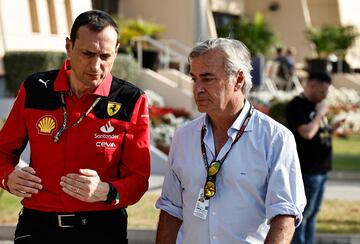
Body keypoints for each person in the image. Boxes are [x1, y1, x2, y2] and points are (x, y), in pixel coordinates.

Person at [0, 10, 150, 244]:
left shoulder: (131, 99)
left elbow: (139, 180)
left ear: (117, 52)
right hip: (38, 227)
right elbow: (3, 152)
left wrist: (107, 191)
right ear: (69, 47)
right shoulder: (36, 88)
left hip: (101, 230)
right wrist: (7, 178)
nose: (96, 65)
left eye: (105, 56)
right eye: (87, 53)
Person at [155, 38, 306, 244]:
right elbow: (171, 209)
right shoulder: (184, 136)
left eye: (207, 78)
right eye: (194, 79)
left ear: (239, 79)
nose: (197, 88)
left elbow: (284, 216)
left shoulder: (275, 138)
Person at [286, 72, 344, 244]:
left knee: (313, 214)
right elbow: (307, 132)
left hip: (322, 169)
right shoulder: (297, 106)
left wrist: (331, 127)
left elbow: (318, 131)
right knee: (302, 216)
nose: (325, 96)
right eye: (322, 92)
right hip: (308, 169)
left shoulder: (315, 105)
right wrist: (320, 114)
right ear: (311, 85)